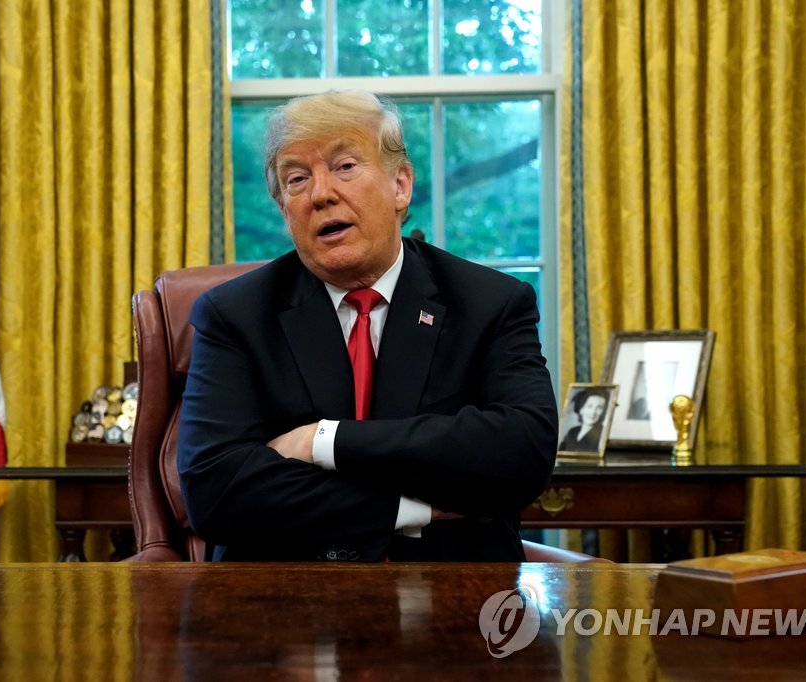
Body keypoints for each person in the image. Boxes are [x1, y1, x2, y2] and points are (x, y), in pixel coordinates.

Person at [177, 90, 558, 562]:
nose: (320, 194)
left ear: (400, 185)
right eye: (296, 179)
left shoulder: (489, 303)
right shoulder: (234, 315)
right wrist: (414, 508)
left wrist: (323, 440)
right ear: (283, 211)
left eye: (345, 167)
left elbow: (524, 451)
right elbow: (216, 490)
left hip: (457, 598)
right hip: (283, 604)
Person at [557, 388, 609, 453]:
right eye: (589, 406)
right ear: (581, 409)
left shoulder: (602, 433)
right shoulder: (572, 431)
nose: (593, 412)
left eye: (599, 408)